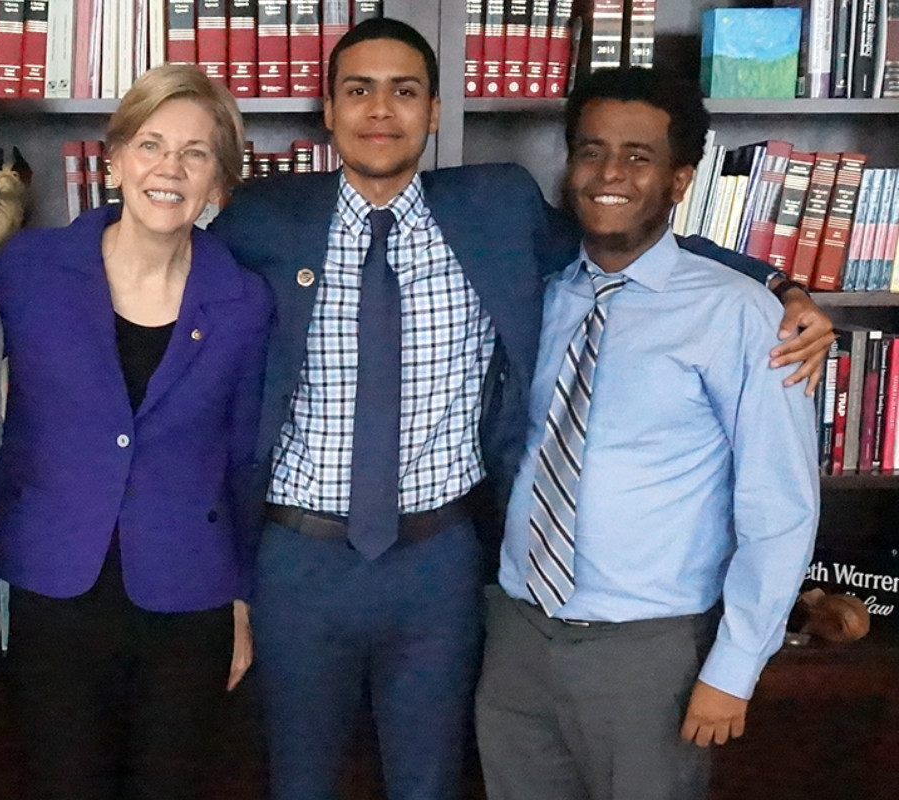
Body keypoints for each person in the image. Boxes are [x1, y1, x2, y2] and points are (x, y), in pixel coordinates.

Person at [208, 18, 832, 800]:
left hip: (439, 563)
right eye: (357, 90)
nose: (379, 111)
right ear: (327, 111)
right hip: (297, 559)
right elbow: (162, 259)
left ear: (435, 112)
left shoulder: (491, 207)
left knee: (429, 782)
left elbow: (624, 226)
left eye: (404, 92)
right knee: (295, 781)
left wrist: (777, 283)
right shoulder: (264, 219)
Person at [474, 66, 819, 800]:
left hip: (650, 652)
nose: (610, 174)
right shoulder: (538, 292)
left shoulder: (739, 315)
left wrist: (733, 669)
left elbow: (780, 508)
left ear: (680, 179)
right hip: (516, 636)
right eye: (592, 150)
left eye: (639, 156)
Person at [0, 64, 272, 799]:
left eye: (195, 153)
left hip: (187, 601)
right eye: (151, 144)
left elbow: (243, 459)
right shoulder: (28, 272)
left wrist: (240, 601)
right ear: (114, 158)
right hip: (54, 593)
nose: (168, 169)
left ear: (218, 180)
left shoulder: (243, 301)